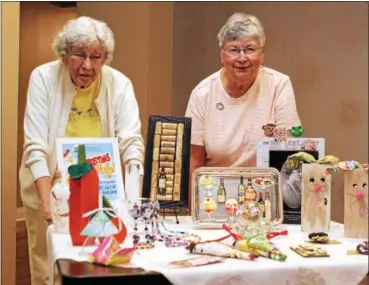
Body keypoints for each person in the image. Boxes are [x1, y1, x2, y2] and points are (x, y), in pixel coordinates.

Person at [18, 16, 145, 285]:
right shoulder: (43, 78)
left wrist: (132, 199)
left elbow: (131, 142)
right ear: (64, 55)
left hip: (100, 188)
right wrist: (45, 201)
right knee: (47, 266)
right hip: (50, 185)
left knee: (98, 262)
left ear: (105, 58)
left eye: (96, 57)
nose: (87, 65)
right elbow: (35, 146)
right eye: (79, 55)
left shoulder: (119, 84)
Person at [185, 12, 301, 175]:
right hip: (214, 190)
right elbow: (194, 163)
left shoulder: (278, 85)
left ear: (262, 54)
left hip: (266, 189)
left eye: (250, 49)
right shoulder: (202, 94)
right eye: (234, 50)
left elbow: (289, 150)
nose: (242, 58)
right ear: (222, 54)